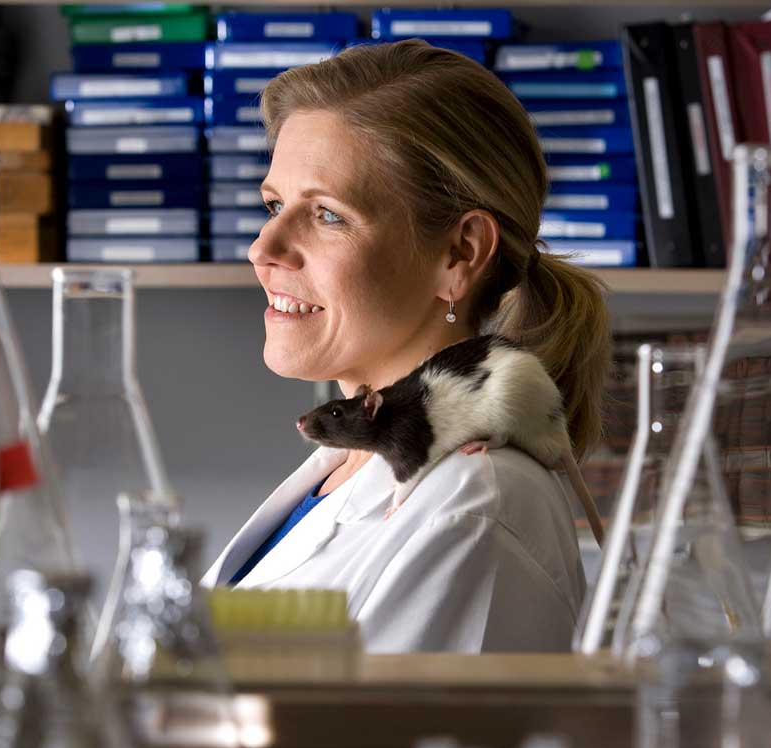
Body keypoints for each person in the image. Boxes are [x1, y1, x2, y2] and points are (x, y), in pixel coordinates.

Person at [202, 40, 611, 653]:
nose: (264, 249)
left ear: (460, 253)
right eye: (275, 204)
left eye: (328, 215)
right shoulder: (344, 470)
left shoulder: (474, 509)